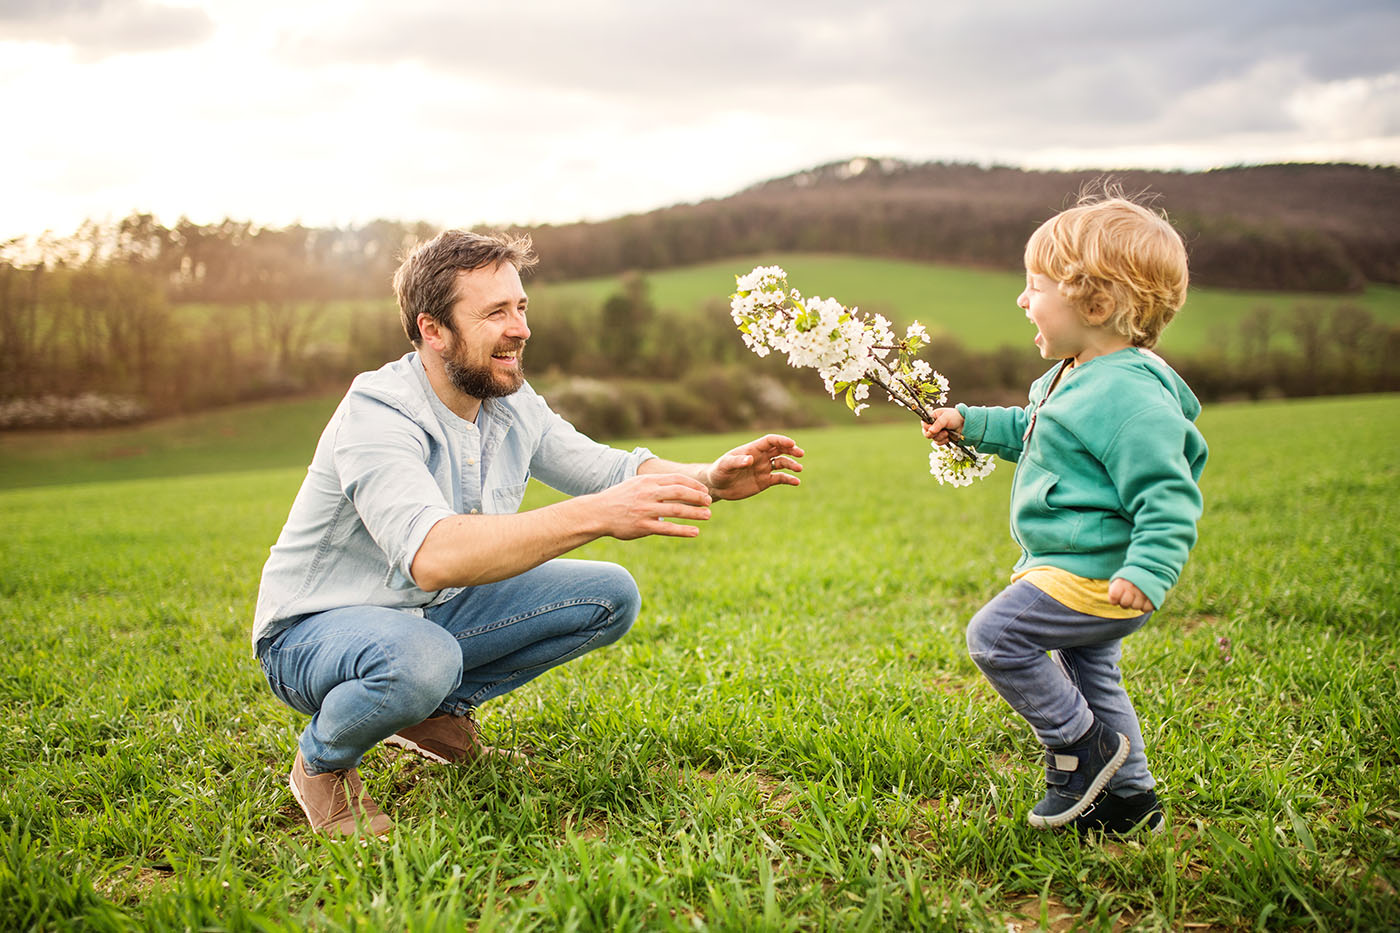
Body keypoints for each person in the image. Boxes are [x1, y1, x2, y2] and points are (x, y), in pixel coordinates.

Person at [253, 229, 804, 837]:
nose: (521, 329)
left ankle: (432, 717)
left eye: (521, 307)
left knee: (609, 595)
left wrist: (709, 478)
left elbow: (609, 469)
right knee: (422, 658)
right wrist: (596, 515)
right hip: (311, 634)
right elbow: (433, 556)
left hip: (425, 614)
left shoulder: (509, 401)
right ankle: (323, 763)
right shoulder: (378, 413)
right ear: (433, 330)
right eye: (496, 313)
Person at [923, 195, 1207, 835]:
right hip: (1073, 566)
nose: (1022, 300)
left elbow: (1168, 491)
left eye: (1036, 286)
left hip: (1095, 574)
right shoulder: (1073, 374)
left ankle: (1083, 748)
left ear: (1095, 305)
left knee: (996, 637)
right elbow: (1036, 431)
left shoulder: (1128, 395)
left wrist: (1149, 570)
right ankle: (1131, 804)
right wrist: (969, 422)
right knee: (1093, 679)